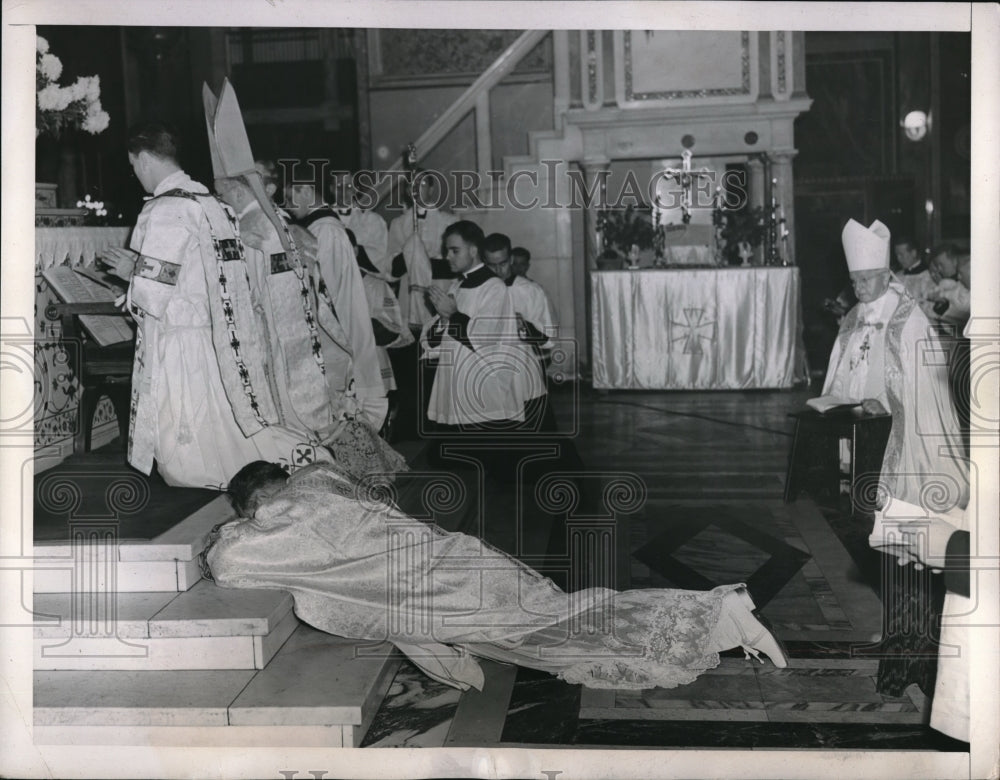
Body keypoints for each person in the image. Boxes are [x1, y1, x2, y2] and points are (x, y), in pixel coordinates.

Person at [205, 459, 788, 692]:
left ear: (259, 499)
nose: (257, 519)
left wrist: (225, 532)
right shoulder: (325, 479)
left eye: (252, 510)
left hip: (449, 591)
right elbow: (385, 600)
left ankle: (719, 612)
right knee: (567, 620)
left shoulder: (286, 514)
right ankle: (720, 619)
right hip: (459, 563)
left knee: (568, 628)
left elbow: (228, 560)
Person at [100, 122, 330, 488]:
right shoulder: (210, 203)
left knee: (188, 461)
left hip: (180, 338)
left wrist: (131, 272)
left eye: (134, 166)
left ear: (143, 159)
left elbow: (154, 293)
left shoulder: (164, 208)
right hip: (212, 336)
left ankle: (282, 466)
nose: (136, 174)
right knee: (222, 427)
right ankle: (294, 459)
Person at [818, 218, 968, 509]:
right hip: (856, 411)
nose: (858, 288)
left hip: (897, 416)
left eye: (865, 280)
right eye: (854, 281)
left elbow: (921, 381)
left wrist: (885, 402)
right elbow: (842, 367)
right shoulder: (853, 315)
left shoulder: (908, 318)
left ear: (885, 276)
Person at [284, 172, 388, 431]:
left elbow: (324, 290)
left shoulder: (325, 231)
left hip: (336, 330)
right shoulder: (321, 228)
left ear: (306, 190)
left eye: (289, 196)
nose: (287, 204)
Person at [419, 221, 544, 431]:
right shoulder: (457, 285)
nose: (447, 256)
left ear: (473, 250)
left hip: (485, 389)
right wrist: (442, 319)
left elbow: (485, 340)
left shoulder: (494, 288)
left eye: (454, 250)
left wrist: (452, 314)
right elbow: (433, 344)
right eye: (446, 250)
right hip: (456, 385)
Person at [482, 233, 557, 431]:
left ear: (512, 259)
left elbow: (548, 340)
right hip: (488, 375)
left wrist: (525, 326)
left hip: (522, 374)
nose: (498, 270)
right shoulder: (478, 291)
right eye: (492, 265)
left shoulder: (531, 291)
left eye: (503, 263)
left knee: (538, 437)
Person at [386, 172, 459, 332]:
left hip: (440, 291)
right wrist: (411, 252)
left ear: (431, 189)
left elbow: (455, 265)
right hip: (409, 296)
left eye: (422, 185)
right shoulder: (398, 224)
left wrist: (420, 260)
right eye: (411, 185)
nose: (416, 190)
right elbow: (391, 269)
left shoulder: (449, 221)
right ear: (406, 190)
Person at [329, 170, 391, 279]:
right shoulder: (323, 220)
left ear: (354, 190)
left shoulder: (373, 220)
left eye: (348, 186)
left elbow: (382, 257)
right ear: (332, 189)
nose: (344, 191)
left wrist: (355, 254)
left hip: (367, 283)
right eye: (339, 186)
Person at [892, 235, 935, 306]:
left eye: (901, 255)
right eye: (897, 255)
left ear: (913, 253)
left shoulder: (928, 276)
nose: (898, 258)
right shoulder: (897, 276)